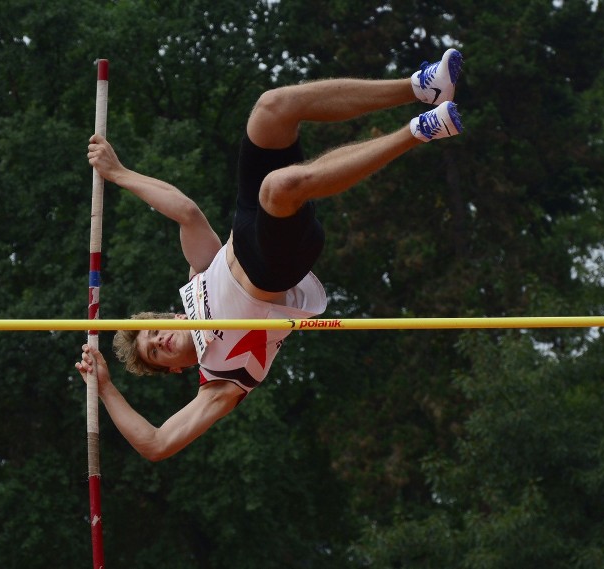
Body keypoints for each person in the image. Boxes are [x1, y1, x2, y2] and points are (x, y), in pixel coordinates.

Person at [75, 49, 464, 461]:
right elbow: (156, 445)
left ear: (169, 316)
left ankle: (421, 87)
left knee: (273, 108)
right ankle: (419, 131)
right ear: (174, 369)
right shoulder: (221, 379)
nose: (162, 341)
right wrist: (105, 388)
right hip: (275, 269)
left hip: (247, 225)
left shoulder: (197, 280)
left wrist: (120, 173)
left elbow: (186, 212)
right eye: (156, 351)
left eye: (154, 332)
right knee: (277, 187)